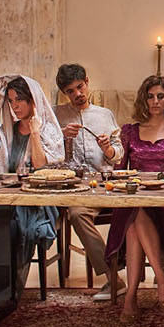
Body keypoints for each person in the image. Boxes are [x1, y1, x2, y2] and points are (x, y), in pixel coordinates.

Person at [105, 74, 164, 322]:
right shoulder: (129, 131)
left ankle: (131, 298)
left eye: (160, 96)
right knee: (135, 214)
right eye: (150, 96)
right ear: (143, 99)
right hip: (136, 198)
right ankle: (161, 282)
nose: (155, 101)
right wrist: (108, 152)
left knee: (134, 221)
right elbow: (119, 172)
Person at [0, 74, 65, 292]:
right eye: (11, 101)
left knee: (10, 225)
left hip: (36, 200)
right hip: (5, 195)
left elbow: (40, 165)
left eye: (19, 100)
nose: (15, 106)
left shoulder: (48, 130)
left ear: (33, 100)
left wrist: (35, 132)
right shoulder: (9, 130)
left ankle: (6, 290)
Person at [52, 63, 124, 302]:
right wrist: (61, 135)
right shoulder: (55, 115)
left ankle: (126, 274)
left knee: (137, 209)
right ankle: (113, 277)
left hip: (104, 184)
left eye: (80, 87)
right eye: (70, 91)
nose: (78, 94)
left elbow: (118, 153)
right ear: (64, 93)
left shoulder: (104, 115)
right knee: (76, 213)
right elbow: (45, 149)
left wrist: (108, 149)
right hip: (71, 187)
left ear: (87, 82)